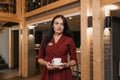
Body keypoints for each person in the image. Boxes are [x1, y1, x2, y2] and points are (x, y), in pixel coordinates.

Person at [38, 15, 77, 80]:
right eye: (56, 23)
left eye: (62, 24)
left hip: (64, 72)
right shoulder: (45, 39)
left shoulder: (69, 40)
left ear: (64, 27)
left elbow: (74, 60)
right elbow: (40, 58)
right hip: (48, 72)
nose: (59, 26)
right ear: (52, 25)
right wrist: (45, 63)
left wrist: (66, 65)